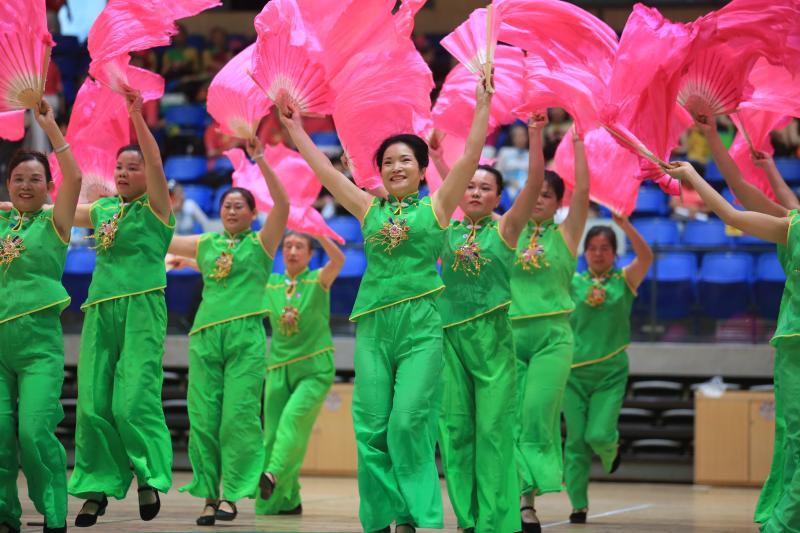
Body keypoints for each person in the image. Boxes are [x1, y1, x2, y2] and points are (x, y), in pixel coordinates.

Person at [278, 76, 493, 533]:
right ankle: (384, 516)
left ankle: (413, 514)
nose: (396, 167)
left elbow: (470, 158)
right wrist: (296, 129)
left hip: (422, 328)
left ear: (422, 170)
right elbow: (326, 173)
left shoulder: (437, 206)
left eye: (405, 160)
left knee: (407, 421)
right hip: (374, 327)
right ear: (379, 171)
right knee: (371, 427)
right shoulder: (367, 208)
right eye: (389, 161)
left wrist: (482, 106)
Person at [664, 160, 800, 533]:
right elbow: (732, 214)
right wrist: (692, 175)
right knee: (794, 439)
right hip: (795, 350)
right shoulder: (794, 228)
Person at [434, 113, 547, 533]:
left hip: (493, 342)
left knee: (494, 432)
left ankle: (496, 521)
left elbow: (535, 182)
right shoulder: (445, 230)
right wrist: (437, 159)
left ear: (498, 196)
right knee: (456, 431)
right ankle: (467, 519)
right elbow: (444, 188)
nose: (476, 191)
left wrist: (535, 134)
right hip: (450, 340)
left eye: (485, 187)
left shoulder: (507, 230)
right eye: (470, 185)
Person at [167, 137, 289, 526]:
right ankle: (208, 496)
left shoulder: (262, 244)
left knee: (237, 418)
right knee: (203, 420)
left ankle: (233, 494)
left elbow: (283, 205)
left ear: (252, 214)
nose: (231, 210)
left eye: (239, 206)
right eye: (226, 205)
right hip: (205, 337)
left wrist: (261, 160)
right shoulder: (206, 243)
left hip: (245, 338)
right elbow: (163, 239)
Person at [67, 91, 174, 527]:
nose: (124, 173)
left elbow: (156, 163)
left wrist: (136, 116)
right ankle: (97, 487)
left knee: (132, 402)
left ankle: (147, 475)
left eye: (133, 167)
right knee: (92, 404)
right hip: (99, 309)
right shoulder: (104, 209)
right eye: (119, 168)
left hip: (143, 309)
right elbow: (53, 211)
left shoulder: (158, 209)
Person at [0, 101, 80, 533]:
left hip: (39, 349)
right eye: (18, 179)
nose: (26, 185)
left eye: (35, 179)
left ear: (49, 186)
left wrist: (50, 128)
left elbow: (77, 179)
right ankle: (4, 514)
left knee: (33, 433)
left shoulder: (56, 224)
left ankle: (52, 514)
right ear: (8, 183)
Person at [510, 126, 590, 532]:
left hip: (552, 340)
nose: (539, 199)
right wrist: (535, 134)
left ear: (558, 203)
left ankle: (529, 497)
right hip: (509, 338)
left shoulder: (568, 234)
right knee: (512, 418)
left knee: (536, 415)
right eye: (534, 193)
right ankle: (521, 501)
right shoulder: (507, 230)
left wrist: (577, 143)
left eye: (547, 195)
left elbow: (583, 192)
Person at [563, 215, 653, 524]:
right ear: (584, 252)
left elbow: (646, 257)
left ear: (614, 252)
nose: (598, 253)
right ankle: (578, 505)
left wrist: (625, 225)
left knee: (598, 435)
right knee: (575, 442)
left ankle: (611, 449)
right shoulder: (572, 282)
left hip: (610, 374)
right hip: (573, 373)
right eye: (592, 248)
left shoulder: (624, 280)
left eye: (605, 248)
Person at [256, 232, 345, 515]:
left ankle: (272, 473)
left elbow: (339, 260)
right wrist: (189, 262)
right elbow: (235, 275)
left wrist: (320, 233)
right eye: (287, 246)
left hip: (314, 368)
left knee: (291, 422)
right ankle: (289, 500)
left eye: (299, 246)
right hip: (278, 367)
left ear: (310, 254)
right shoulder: (270, 284)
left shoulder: (318, 280)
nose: (292, 251)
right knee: (272, 436)